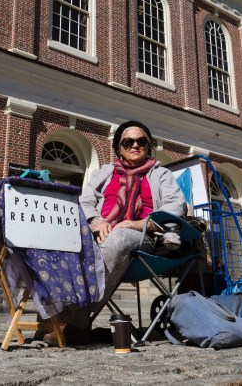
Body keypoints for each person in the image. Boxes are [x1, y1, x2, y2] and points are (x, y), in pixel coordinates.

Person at [43, 120, 187, 345]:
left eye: (141, 141)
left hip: (143, 236)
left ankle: (77, 324)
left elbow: (175, 205)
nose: (135, 145)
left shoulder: (161, 174)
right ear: (119, 149)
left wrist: (135, 224)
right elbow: (86, 201)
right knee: (54, 237)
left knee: (118, 237)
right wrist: (97, 222)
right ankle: (55, 317)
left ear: (149, 147)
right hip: (100, 233)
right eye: (128, 141)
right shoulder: (105, 173)